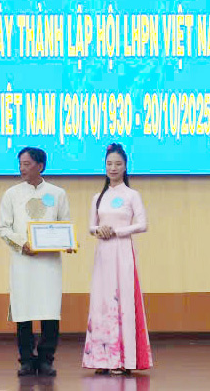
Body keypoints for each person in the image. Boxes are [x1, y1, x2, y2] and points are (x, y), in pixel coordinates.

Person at [0, 147, 72, 377]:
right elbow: (3, 229)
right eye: (20, 164)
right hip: (23, 262)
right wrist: (22, 244)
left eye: (27, 164)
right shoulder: (11, 194)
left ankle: (46, 359)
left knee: (50, 311)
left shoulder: (57, 193)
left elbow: (65, 225)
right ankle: (27, 360)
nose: (22, 168)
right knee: (24, 311)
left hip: (49, 264)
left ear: (40, 166)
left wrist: (68, 242)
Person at [83, 144, 153, 375]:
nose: (113, 168)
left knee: (122, 301)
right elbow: (91, 227)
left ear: (125, 167)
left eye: (118, 164)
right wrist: (99, 230)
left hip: (122, 251)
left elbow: (142, 225)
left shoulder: (132, 195)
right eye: (109, 164)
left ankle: (123, 359)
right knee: (101, 302)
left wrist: (116, 231)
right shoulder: (98, 197)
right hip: (103, 253)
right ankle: (101, 359)